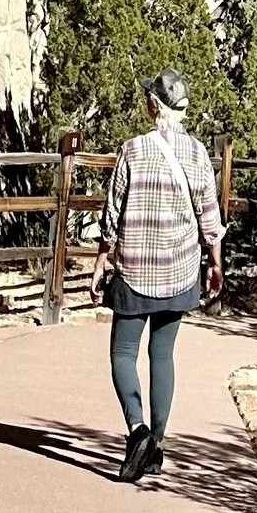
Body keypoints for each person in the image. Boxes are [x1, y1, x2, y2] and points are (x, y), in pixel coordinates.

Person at [90, 69, 224, 483]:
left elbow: (112, 213)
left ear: (153, 106)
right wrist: (215, 263)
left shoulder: (132, 150)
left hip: (134, 269)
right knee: (162, 355)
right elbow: (210, 218)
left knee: (122, 354)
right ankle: (157, 446)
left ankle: (138, 431)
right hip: (180, 269)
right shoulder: (198, 154)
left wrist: (101, 260)